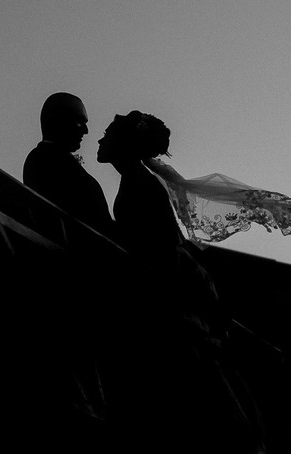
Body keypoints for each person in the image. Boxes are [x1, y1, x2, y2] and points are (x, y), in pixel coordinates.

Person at [96, 111, 264, 453]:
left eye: (107, 134)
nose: (100, 140)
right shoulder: (139, 180)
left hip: (173, 293)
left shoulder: (138, 183)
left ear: (124, 145)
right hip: (180, 284)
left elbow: (155, 247)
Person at [22, 92, 115, 237]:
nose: (86, 130)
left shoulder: (53, 159)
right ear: (58, 119)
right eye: (80, 121)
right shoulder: (47, 161)